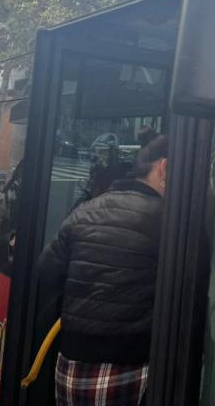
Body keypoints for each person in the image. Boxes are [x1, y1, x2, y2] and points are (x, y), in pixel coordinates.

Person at [38, 134, 168, 406]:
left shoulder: (87, 209)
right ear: (164, 169)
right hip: (126, 365)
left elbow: (47, 272)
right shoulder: (167, 220)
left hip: (70, 364)